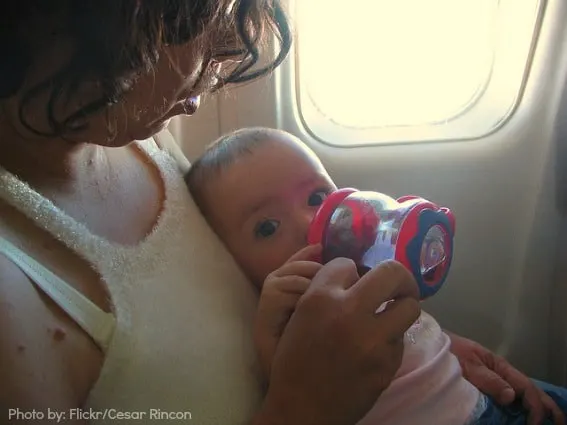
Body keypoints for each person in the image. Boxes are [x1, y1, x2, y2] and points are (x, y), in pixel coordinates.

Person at [0, 2, 559, 424]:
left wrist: (422, 352)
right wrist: (306, 407)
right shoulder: (17, 305)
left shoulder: (128, 130)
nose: (218, 66)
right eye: (199, 18)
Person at [185, 126, 567, 425]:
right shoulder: (287, 318)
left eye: (317, 198)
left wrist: (446, 343)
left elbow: (410, 331)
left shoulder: (363, 267)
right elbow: (290, 381)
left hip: (480, 397)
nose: (310, 222)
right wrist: (272, 326)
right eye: (267, 227)